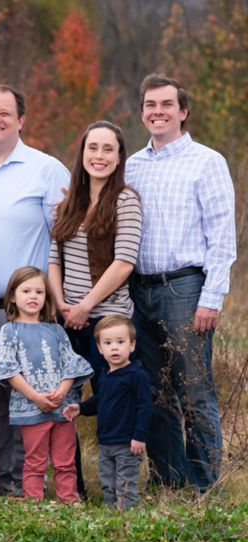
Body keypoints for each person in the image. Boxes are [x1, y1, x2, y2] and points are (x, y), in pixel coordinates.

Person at [125, 73, 236, 492]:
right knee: (153, 392)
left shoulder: (206, 161)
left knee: (193, 390)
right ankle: (168, 482)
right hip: (140, 290)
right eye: (150, 105)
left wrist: (212, 298)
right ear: (142, 113)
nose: (158, 111)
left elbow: (222, 237)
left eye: (167, 105)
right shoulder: (133, 164)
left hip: (185, 289)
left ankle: (206, 486)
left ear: (183, 112)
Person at [0, 85, 70, 496]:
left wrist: (59, 303)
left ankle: (35, 484)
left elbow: (63, 239)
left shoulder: (45, 169)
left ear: (21, 120)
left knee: (31, 402)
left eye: (5, 113)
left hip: (26, 313)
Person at [49, 120, 142, 377]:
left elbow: (124, 262)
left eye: (108, 149)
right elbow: (54, 259)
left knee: (112, 399)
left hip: (110, 322)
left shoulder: (126, 200)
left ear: (119, 157)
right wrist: (62, 305)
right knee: (66, 398)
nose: (99, 156)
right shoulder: (68, 203)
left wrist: (85, 306)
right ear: (83, 153)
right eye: (92, 148)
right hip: (67, 319)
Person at [0, 267, 92, 503]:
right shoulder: (10, 331)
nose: (33, 296)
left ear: (46, 297)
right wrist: (36, 397)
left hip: (62, 406)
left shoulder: (56, 330)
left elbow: (73, 364)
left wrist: (62, 391)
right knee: (35, 461)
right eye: (26, 291)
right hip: (31, 408)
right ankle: (34, 507)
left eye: (39, 291)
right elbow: (8, 369)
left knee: (65, 461)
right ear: (12, 297)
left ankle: (69, 502)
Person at [64, 315, 152, 510]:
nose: (114, 347)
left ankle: (127, 518)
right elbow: (100, 400)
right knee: (108, 483)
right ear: (100, 349)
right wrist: (81, 407)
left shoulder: (137, 376)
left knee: (125, 484)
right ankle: (110, 516)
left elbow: (145, 408)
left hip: (127, 443)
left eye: (120, 342)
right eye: (108, 343)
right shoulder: (105, 375)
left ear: (132, 345)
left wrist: (139, 436)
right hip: (105, 442)